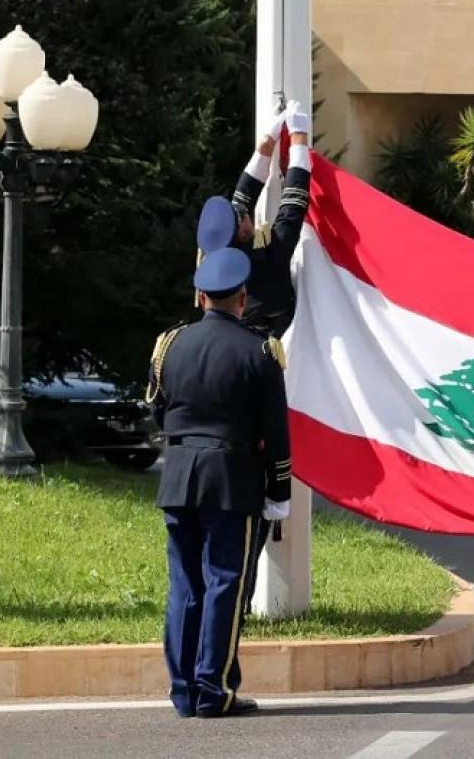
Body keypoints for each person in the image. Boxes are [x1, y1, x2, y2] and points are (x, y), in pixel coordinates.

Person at [148, 197, 292, 719]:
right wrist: (279, 492)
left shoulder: (169, 344)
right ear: (243, 296)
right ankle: (214, 689)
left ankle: (184, 690)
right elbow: (276, 433)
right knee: (225, 582)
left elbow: (159, 411)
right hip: (232, 479)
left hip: (178, 477)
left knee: (185, 586)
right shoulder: (260, 351)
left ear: (202, 295)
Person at [229, 101, 314, 339]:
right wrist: (299, 140)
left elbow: (242, 198)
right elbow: (292, 207)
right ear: (244, 233)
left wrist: (266, 145)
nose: (246, 212)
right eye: (244, 217)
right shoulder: (267, 261)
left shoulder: (218, 248)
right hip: (273, 339)